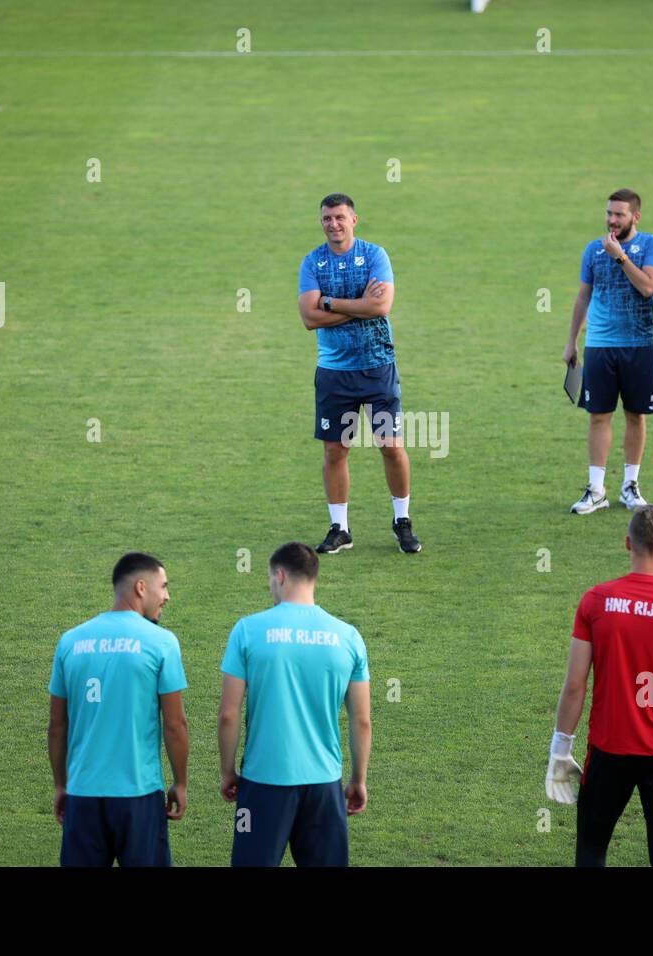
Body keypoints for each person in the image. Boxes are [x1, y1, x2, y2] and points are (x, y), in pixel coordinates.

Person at [545, 504, 653, 866]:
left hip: (610, 750)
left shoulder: (596, 601)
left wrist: (561, 748)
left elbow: (575, 684)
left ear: (628, 543)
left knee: (592, 849)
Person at [217, 541, 371, 866]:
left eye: (270, 580)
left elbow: (229, 715)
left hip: (262, 783)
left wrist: (228, 772)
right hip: (324, 784)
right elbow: (361, 721)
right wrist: (357, 780)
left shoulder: (247, 631)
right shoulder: (348, 637)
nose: (270, 587)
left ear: (281, 576)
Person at [297, 193, 421, 554]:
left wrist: (331, 303)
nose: (333, 224)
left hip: (377, 367)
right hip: (334, 373)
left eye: (339, 217)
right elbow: (308, 318)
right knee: (335, 451)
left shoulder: (375, 255)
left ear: (354, 219)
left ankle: (402, 521)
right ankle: (340, 528)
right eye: (326, 219)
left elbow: (382, 305)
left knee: (391, 446)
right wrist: (360, 307)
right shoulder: (312, 262)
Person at [48, 552, 189, 867]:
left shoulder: (70, 641)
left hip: (83, 795)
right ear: (141, 587)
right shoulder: (161, 642)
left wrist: (61, 784)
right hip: (138, 796)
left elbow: (57, 725)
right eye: (163, 586)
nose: (166, 596)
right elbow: (175, 724)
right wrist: (180, 783)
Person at [563, 189, 653, 515]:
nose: (611, 219)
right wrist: (572, 341)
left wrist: (620, 255)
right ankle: (596, 489)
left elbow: (647, 286)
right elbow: (583, 297)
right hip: (600, 346)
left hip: (638, 344)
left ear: (635, 216)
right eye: (609, 213)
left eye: (619, 214)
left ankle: (630, 485)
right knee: (598, 415)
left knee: (635, 415)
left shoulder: (651, 245)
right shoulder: (594, 249)